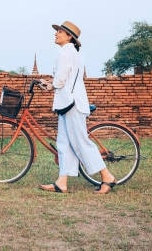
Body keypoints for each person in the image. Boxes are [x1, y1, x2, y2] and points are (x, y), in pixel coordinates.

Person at [38, 21, 116, 194]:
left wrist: (49, 85)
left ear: (69, 36)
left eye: (60, 32)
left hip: (72, 104)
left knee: (80, 143)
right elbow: (63, 78)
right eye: (57, 31)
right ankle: (62, 182)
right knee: (64, 143)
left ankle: (107, 176)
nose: (56, 34)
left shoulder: (66, 52)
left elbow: (60, 79)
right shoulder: (69, 52)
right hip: (67, 104)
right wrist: (51, 83)